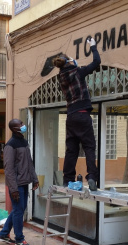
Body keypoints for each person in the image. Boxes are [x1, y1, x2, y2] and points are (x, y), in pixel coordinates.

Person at [52, 37, 101, 191]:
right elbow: (96, 62)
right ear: (69, 62)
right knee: (89, 147)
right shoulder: (78, 72)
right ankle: (92, 176)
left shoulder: (61, 78)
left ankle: (67, 180)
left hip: (71, 116)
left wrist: (71, 63)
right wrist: (93, 46)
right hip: (82, 114)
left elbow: (67, 71)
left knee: (71, 150)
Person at [0, 119, 39, 245]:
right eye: (20, 124)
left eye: (22, 124)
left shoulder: (24, 142)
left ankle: (3, 234)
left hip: (24, 182)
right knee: (19, 211)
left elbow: (29, 163)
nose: (23, 125)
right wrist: (13, 189)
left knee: (18, 210)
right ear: (15, 129)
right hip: (16, 185)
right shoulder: (11, 145)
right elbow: (8, 169)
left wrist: (35, 179)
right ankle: (19, 239)